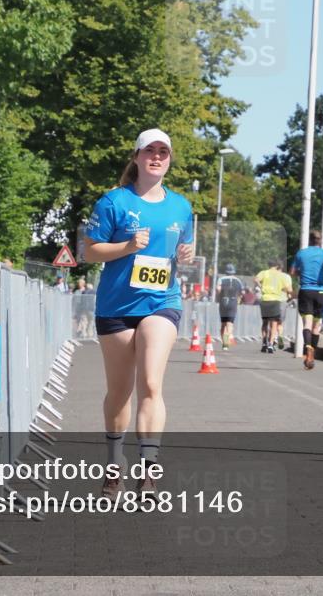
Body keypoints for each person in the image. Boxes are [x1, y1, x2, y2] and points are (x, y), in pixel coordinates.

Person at [83, 128, 194, 498]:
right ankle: (114, 465)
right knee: (119, 391)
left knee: (151, 383)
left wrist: (186, 257)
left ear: (169, 159)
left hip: (161, 302)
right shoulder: (113, 202)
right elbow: (90, 252)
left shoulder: (181, 206)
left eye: (163, 151)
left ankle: (149, 472)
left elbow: (185, 249)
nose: (157, 157)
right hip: (116, 306)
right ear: (136, 157)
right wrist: (127, 246)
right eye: (150, 151)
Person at [290, 230, 323, 370]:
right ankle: (312, 353)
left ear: (309, 240)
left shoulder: (301, 253)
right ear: (320, 241)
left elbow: (292, 272)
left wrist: (300, 273)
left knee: (307, 324)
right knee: (317, 325)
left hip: (306, 290)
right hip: (321, 291)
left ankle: (307, 348)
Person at [256, 259, 293, 353]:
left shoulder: (264, 273)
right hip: (277, 300)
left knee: (265, 322)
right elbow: (290, 290)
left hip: (265, 299)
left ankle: (264, 342)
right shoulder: (282, 276)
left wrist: (261, 287)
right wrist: (287, 292)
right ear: (278, 266)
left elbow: (256, 279)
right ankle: (271, 344)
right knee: (275, 324)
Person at [216, 263, 244, 351]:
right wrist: (238, 300)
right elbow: (242, 293)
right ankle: (226, 343)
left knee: (223, 324)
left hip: (223, 302)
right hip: (233, 302)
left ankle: (224, 342)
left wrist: (219, 296)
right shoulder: (238, 280)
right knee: (230, 324)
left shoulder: (221, 279)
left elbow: (218, 289)